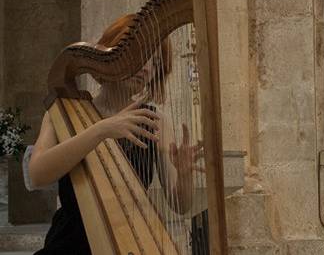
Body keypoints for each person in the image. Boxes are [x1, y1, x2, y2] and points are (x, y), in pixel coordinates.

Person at [29, 14, 206, 255]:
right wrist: (102, 129)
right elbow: (37, 175)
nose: (146, 68)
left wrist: (184, 175)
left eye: (154, 62)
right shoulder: (63, 112)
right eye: (141, 57)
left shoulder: (156, 122)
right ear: (113, 59)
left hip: (126, 244)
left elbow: (180, 205)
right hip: (68, 245)